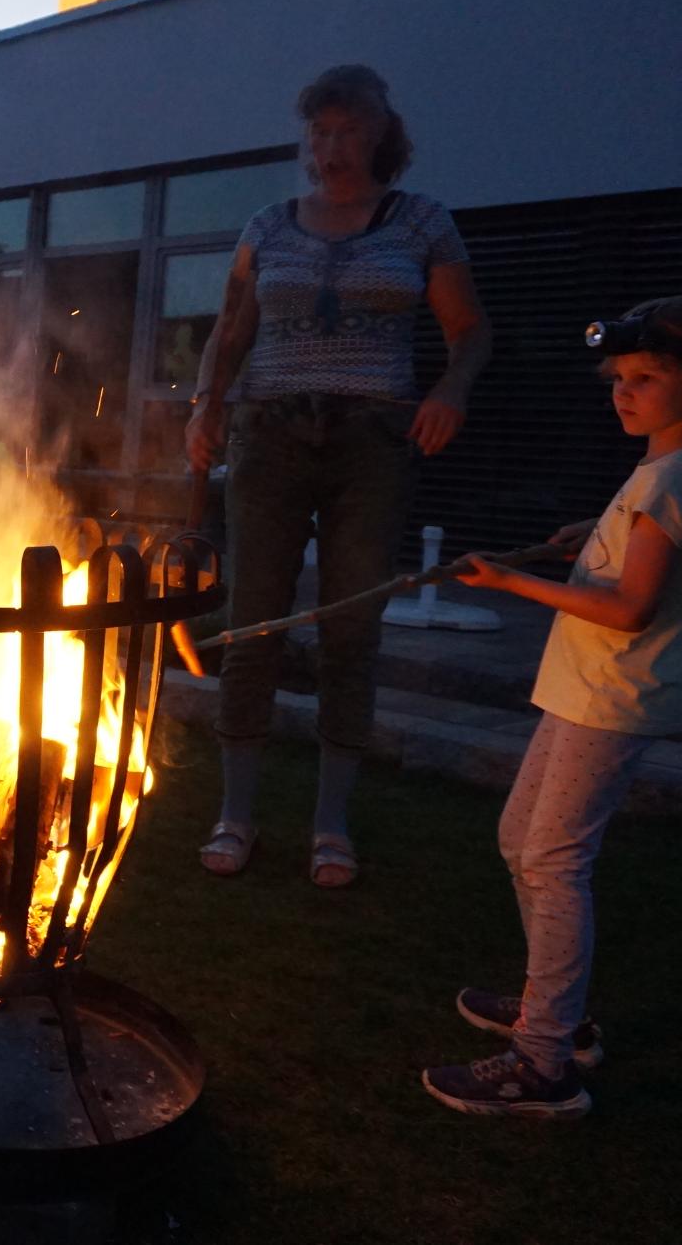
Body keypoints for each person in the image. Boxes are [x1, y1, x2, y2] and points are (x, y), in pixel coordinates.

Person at [421, 292, 682, 1118]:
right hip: (588, 691)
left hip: (613, 695)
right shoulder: (669, 468)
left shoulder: (675, 478)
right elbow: (633, 550)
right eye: (618, 378)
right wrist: (588, 534)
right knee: (519, 843)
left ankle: (544, 1064)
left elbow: (631, 608)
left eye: (646, 378)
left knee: (555, 862)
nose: (624, 393)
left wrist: (510, 581)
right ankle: (552, 1013)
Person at [184, 63, 492, 886]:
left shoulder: (421, 222)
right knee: (253, 622)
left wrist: (450, 391)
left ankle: (330, 825)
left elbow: (470, 331)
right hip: (270, 436)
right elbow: (231, 326)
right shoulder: (268, 226)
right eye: (319, 131)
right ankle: (236, 814)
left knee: (350, 627)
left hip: (371, 441)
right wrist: (204, 403)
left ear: (382, 135)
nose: (332, 146)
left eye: (349, 129)